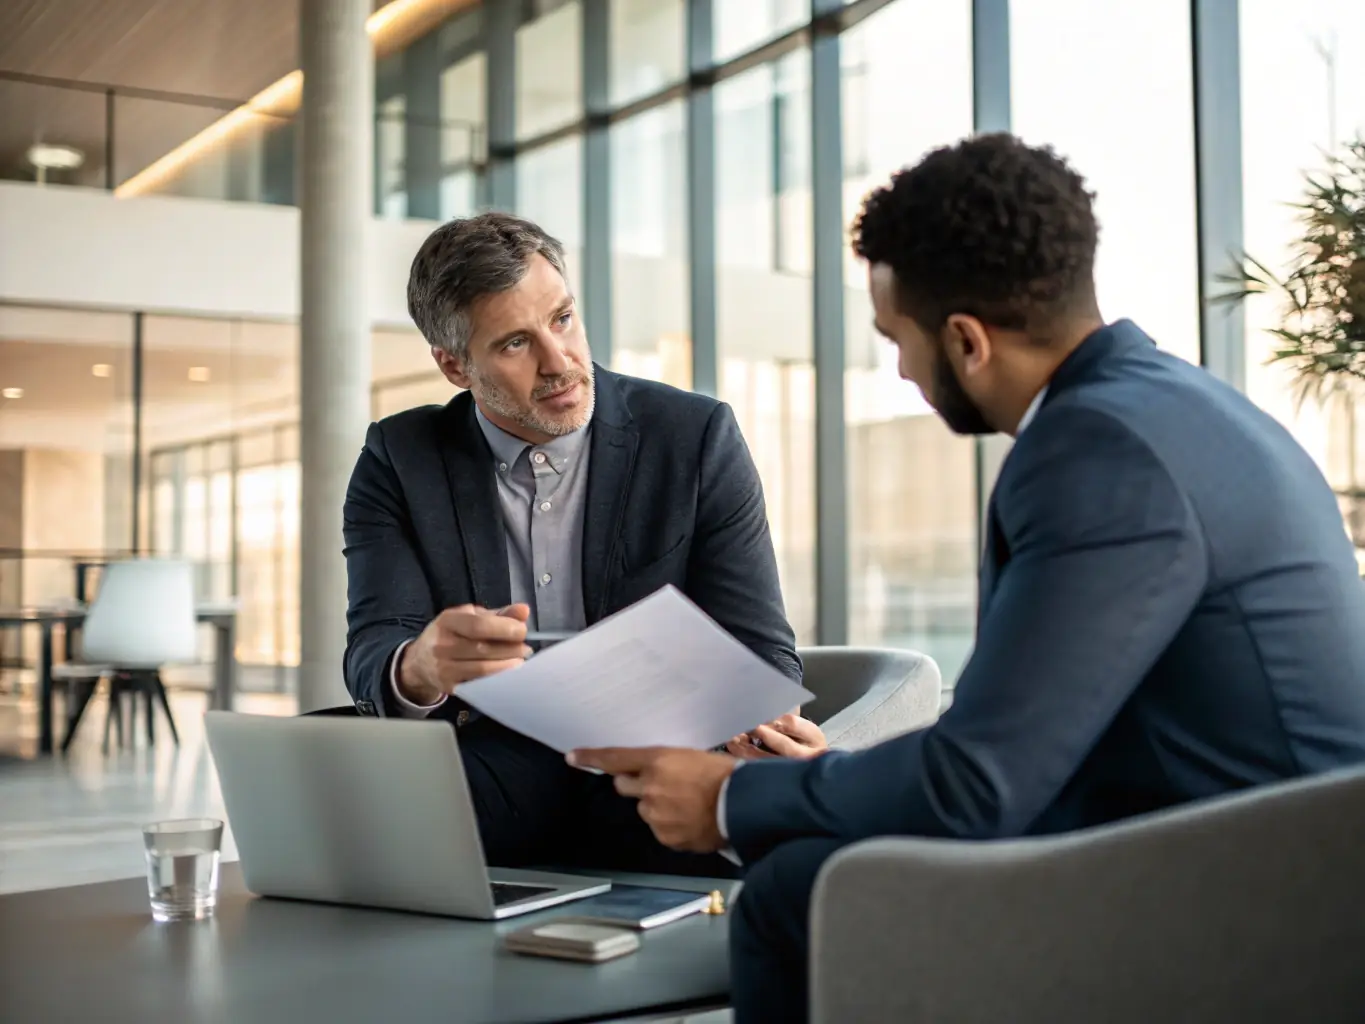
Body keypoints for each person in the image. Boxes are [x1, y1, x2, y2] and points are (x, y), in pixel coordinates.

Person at [569, 133, 1365, 1022]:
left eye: (894, 341)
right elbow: (1036, 738)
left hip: (1259, 894)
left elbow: (979, 787)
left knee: (799, 898)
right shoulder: (1176, 406)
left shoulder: (1097, 453)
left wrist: (729, 798)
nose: (902, 370)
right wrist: (839, 782)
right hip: (1250, 841)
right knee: (821, 859)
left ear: (965, 340)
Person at [342, 211, 828, 878]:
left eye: (563, 319)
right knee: (358, 793)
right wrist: (421, 665)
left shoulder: (693, 437)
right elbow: (375, 646)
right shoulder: (400, 458)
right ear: (454, 366)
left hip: (655, 757)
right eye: (515, 344)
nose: (559, 362)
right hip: (495, 762)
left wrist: (762, 722)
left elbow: (760, 642)